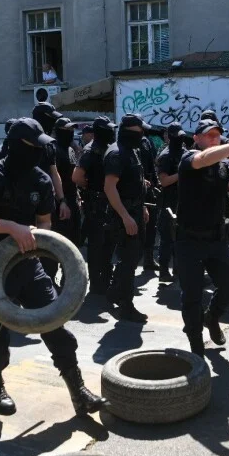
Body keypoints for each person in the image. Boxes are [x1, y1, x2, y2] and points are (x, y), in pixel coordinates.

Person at [0, 118, 106, 416]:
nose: (39, 153)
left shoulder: (40, 180)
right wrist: (10, 227)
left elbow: (44, 223)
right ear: (17, 146)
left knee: (54, 323)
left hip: (28, 265)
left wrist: (37, 239)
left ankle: (78, 389)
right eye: (33, 146)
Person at [176, 120, 229, 356]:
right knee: (192, 297)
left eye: (217, 135)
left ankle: (212, 317)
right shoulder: (188, 159)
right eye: (209, 135)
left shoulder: (227, 165)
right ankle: (196, 344)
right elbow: (204, 159)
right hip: (188, 240)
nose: (214, 138)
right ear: (196, 138)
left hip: (216, 238)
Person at [104, 114, 150, 322]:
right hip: (123, 214)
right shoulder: (117, 153)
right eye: (140, 131)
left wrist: (142, 207)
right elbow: (109, 187)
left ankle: (115, 292)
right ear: (130, 132)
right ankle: (125, 305)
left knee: (132, 256)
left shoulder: (131, 150)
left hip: (134, 210)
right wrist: (125, 216)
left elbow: (134, 181)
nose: (143, 135)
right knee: (128, 260)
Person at [72, 116, 116, 294]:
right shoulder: (90, 151)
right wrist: (91, 189)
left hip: (109, 202)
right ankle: (96, 283)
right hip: (96, 204)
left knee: (109, 244)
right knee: (96, 245)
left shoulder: (108, 148)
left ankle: (106, 278)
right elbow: (77, 177)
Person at [156, 123, 187, 283]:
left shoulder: (185, 152)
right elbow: (164, 181)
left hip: (184, 201)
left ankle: (178, 269)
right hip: (168, 203)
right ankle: (163, 272)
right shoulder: (165, 156)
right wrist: (182, 173)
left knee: (181, 239)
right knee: (167, 239)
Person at [51, 117, 83, 248]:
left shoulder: (70, 150)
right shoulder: (53, 149)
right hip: (60, 204)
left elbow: (72, 175)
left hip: (72, 201)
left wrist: (78, 195)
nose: (70, 132)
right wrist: (61, 201)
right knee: (61, 244)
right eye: (67, 129)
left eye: (71, 130)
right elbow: (53, 177)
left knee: (74, 242)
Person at [139, 132, 160, 272]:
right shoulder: (141, 143)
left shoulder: (146, 142)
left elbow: (151, 164)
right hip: (139, 188)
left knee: (151, 225)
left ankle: (148, 258)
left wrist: (155, 183)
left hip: (148, 186)